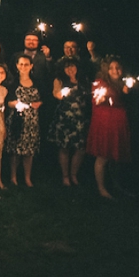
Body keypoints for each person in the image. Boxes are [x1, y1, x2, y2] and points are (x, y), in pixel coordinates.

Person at [86, 57, 132, 199]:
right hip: (105, 124)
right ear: (106, 69)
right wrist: (99, 99)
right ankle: (101, 188)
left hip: (119, 123)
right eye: (111, 68)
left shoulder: (124, 84)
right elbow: (96, 99)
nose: (115, 70)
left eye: (118, 67)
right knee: (103, 156)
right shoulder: (101, 83)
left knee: (116, 156)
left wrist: (127, 92)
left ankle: (116, 186)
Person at [48, 58, 90, 187]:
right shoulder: (59, 80)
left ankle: (74, 174)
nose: (70, 69)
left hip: (81, 119)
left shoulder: (84, 81)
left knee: (80, 148)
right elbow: (56, 94)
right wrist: (61, 94)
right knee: (64, 147)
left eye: (72, 66)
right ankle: (65, 176)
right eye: (67, 67)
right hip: (65, 118)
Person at [5, 54, 42, 187]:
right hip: (17, 120)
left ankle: (27, 178)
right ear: (16, 66)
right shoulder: (12, 82)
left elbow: (43, 98)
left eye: (26, 64)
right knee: (15, 150)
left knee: (29, 151)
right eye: (21, 64)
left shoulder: (37, 82)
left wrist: (39, 103)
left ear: (31, 66)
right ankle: (13, 177)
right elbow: (7, 102)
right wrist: (13, 104)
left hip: (32, 121)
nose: (23, 67)